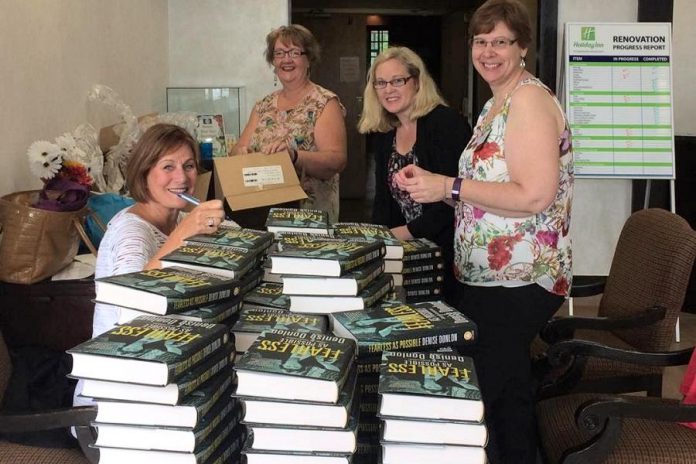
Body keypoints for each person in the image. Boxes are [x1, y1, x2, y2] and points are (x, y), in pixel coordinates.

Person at [393, 1, 573, 462]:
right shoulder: (497, 102)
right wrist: (439, 192)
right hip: (487, 275)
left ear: (523, 48)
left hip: (521, 276)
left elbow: (534, 195)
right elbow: (492, 188)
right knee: (496, 390)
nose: (488, 51)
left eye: (500, 42)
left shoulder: (529, 100)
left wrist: (449, 184)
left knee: (498, 396)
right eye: (480, 41)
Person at [73, 123, 227, 407]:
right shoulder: (131, 230)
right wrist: (185, 234)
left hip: (166, 368)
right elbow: (131, 304)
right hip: (118, 399)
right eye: (168, 167)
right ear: (144, 174)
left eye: (189, 166)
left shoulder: (178, 220)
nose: (181, 177)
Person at [358, 46, 471, 304]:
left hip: (451, 254)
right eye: (381, 83)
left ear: (417, 82)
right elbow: (384, 202)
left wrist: (397, 234)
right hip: (412, 252)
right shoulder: (386, 131)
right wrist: (377, 244)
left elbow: (455, 203)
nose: (389, 89)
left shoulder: (445, 123)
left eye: (398, 80)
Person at [233, 24, 347, 223]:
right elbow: (236, 151)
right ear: (273, 61)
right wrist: (243, 153)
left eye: (294, 52)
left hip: (308, 217)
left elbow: (336, 161)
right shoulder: (263, 106)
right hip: (261, 212)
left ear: (308, 58)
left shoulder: (325, 103)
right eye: (279, 53)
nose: (286, 59)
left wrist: (294, 156)